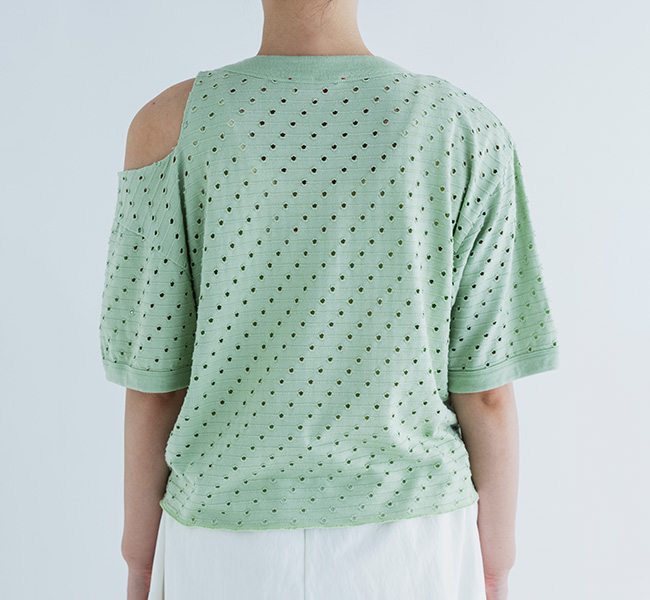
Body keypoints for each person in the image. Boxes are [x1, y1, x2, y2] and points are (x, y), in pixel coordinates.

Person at [99, 1, 560, 599]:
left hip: (223, 545)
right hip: (413, 543)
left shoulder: (167, 126)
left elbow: (156, 384)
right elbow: (487, 392)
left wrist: (139, 562)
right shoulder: (463, 128)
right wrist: (496, 565)